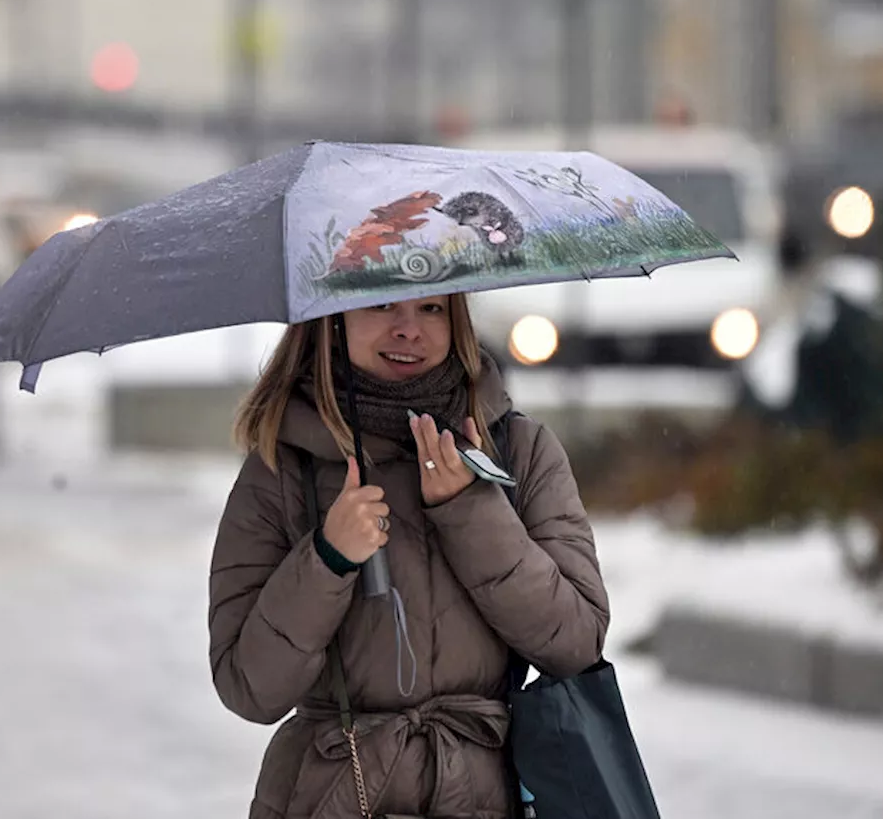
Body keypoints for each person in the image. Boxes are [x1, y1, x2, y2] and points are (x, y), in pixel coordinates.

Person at [208, 293, 610, 819]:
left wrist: (469, 510)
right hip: (332, 797)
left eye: (432, 309)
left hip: (487, 796)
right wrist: (328, 559)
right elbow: (249, 687)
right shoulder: (280, 469)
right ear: (333, 321)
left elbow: (576, 644)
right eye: (380, 306)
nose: (408, 330)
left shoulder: (520, 451)